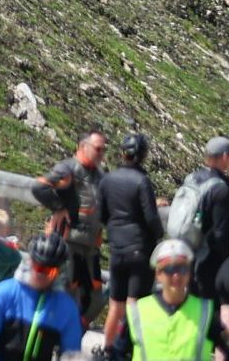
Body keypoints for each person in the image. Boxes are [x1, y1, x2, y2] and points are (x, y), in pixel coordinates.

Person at [97, 130, 163, 354]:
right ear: (143, 155)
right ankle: (131, 349)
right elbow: (151, 218)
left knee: (115, 303)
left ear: (123, 153)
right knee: (135, 304)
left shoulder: (107, 179)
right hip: (140, 249)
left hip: (117, 248)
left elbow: (102, 215)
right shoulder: (142, 181)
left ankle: (107, 349)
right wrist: (159, 235)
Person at [33, 125, 107, 324]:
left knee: (95, 298)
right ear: (83, 146)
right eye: (98, 148)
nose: (102, 153)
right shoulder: (67, 168)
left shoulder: (100, 175)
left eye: (104, 149)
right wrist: (58, 208)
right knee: (64, 291)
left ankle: (72, 332)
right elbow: (39, 187)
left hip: (90, 247)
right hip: (67, 243)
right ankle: (51, 333)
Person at [0, 233, 83, 361]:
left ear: (58, 272)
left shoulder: (67, 308)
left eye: (50, 271)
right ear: (29, 262)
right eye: (39, 268)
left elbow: (72, 355)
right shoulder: (1, 294)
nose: (42, 275)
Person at [129, 237, 218, 361]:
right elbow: (118, 352)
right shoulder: (137, 311)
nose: (176, 275)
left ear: (189, 273)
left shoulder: (206, 312)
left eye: (182, 269)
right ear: (158, 274)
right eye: (170, 269)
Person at [181, 137, 229, 302]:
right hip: (208, 260)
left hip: (187, 251)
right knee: (209, 307)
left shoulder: (192, 178)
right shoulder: (221, 188)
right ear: (225, 157)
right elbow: (220, 234)